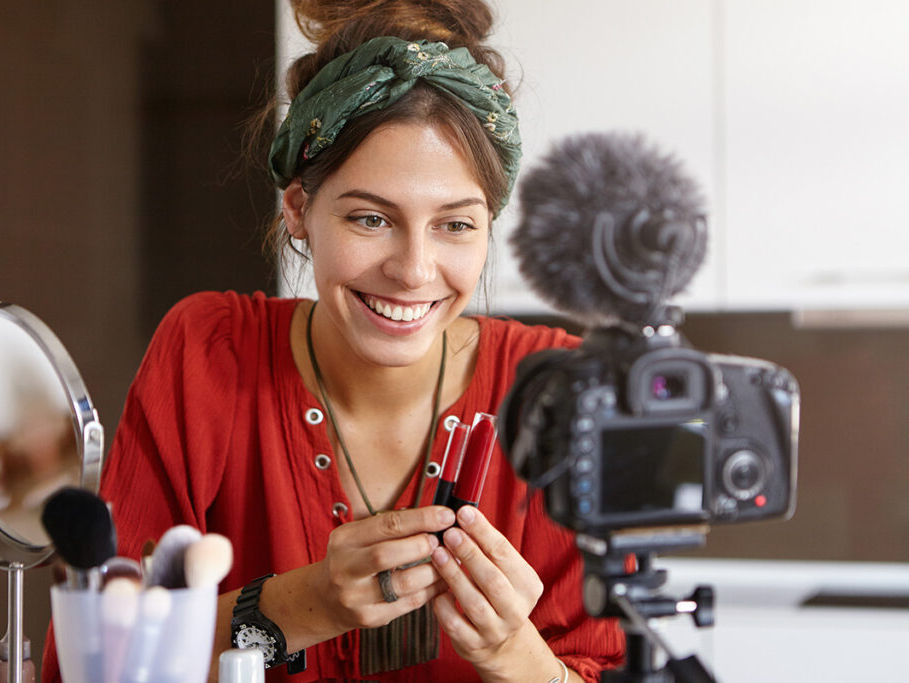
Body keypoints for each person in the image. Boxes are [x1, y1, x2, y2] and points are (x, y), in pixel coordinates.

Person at [41, 0, 624, 681]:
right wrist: (306, 602)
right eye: (371, 218)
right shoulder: (205, 356)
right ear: (298, 208)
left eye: (455, 225)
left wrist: (511, 654)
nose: (414, 270)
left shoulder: (555, 391)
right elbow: (94, 661)